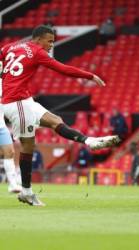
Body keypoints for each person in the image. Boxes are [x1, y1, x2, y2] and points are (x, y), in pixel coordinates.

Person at [0, 25, 120, 206]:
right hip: (16, 103)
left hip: (24, 100)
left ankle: (90, 141)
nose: (51, 45)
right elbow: (62, 69)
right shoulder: (38, 52)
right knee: (28, 146)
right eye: (49, 41)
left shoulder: (11, 47)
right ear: (39, 39)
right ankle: (26, 191)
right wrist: (89, 75)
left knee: (56, 121)